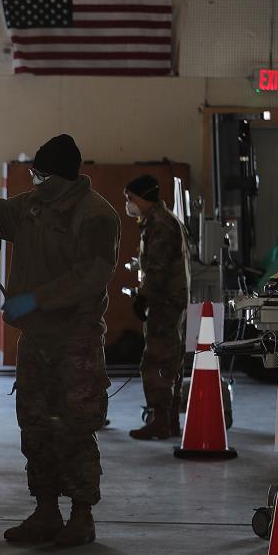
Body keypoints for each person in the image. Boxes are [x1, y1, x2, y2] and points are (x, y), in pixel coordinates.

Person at [0, 134, 120, 546]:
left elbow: (92, 274)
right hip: (36, 339)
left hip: (75, 339)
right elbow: (1, 216)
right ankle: (45, 510)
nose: (33, 178)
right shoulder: (33, 205)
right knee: (35, 425)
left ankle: (81, 516)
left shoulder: (96, 215)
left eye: (39, 172)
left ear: (56, 174)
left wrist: (37, 298)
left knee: (75, 426)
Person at [124, 174, 191, 440]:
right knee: (171, 360)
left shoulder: (160, 225)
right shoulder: (159, 221)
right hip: (170, 301)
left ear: (144, 197)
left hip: (164, 303)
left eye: (131, 199)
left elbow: (157, 268)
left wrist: (144, 297)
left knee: (156, 361)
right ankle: (169, 420)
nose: (128, 204)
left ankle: (161, 420)